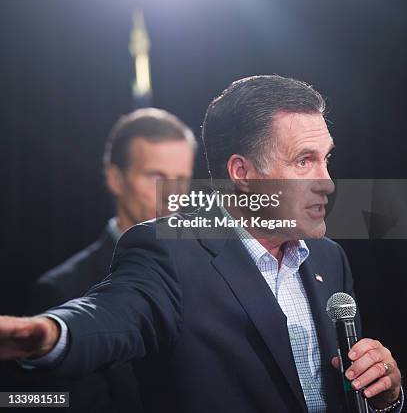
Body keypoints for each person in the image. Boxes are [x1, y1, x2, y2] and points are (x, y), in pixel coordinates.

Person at [0, 76, 402, 413]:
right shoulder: (169, 252)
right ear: (242, 173)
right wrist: (44, 333)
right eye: (303, 161)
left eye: (326, 158)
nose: (327, 181)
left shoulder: (330, 258)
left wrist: (387, 397)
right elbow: (110, 315)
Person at [27, 108, 196, 412]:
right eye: (155, 176)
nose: (171, 196)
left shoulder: (209, 268)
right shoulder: (61, 290)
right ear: (116, 178)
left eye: (181, 180)